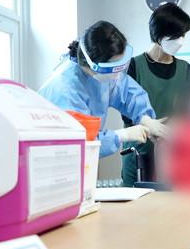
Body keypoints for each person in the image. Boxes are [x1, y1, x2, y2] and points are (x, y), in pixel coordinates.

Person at [39, 21, 168, 158]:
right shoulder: (65, 90)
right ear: (94, 64)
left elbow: (128, 92)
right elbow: (81, 143)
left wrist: (145, 119)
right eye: (112, 68)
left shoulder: (102, 76)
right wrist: (122, 135)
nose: (117, 76)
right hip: (54, 159)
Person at [121, 3, 190, 186]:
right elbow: (127, 113)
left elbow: (189, 113)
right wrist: (150, 126)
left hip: (172, 154)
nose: (180, 41)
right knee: (136, 201)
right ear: (159, 35)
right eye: (176, 35)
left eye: (183, 35)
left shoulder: (185, 69)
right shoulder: (134, 66)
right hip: (139, 152)